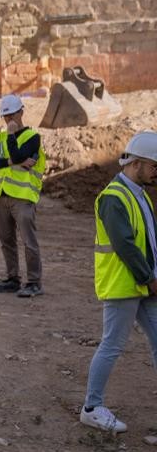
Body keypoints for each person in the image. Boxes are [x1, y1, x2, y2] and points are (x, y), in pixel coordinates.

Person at [79, 132, 157, 434]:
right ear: (136, 163)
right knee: (112, 344)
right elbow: (124, 244)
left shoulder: (139, 194)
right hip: (126, 284)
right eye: (153, 166)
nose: (155, 172)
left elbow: (148, 240)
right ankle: (91, 408)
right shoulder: (114, 197)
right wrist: (148, 278)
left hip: (143, 282)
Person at [0, 94, 46, 298]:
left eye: (12, 115)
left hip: (23, 197)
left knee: (28, 241)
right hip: (1, 195)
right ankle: (13, 279)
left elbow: (21, 155)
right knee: (6, 239)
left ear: (21, 112)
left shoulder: (33, 138)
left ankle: (34, 282)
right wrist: (12, 162)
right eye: (5, 117)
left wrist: (12, 137)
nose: (9, 120)